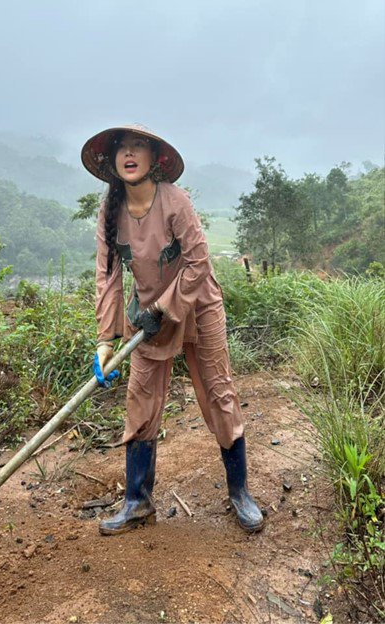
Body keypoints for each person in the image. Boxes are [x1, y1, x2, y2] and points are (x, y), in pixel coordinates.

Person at [81, 124, 264, 536]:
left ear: (153, 159)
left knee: (219, 392)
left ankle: (240, 493)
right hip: (145, 315)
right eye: (122, 149)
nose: (129, 154)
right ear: (112, 162)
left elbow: (199, 264)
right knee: (140, 398)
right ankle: (137, 502)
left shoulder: (175, 201)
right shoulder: (110, 213)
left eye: (138, 147)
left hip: (197, 306)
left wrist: (164, 308)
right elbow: (107, 278)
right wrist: (105, 341)